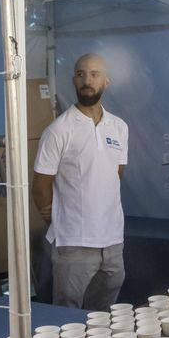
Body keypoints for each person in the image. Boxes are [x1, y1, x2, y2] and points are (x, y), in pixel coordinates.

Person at [32, 54, 129, 310]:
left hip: (112, 240)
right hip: (74, 243)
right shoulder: (59, 130)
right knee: (68, 317)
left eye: (94, 74)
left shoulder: (119, 127)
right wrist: (58, 217)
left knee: (103, 316)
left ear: (106, 81)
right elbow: (40, 185)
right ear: (73, 81)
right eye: (80, 74)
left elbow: (116, 172)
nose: (87, 80)